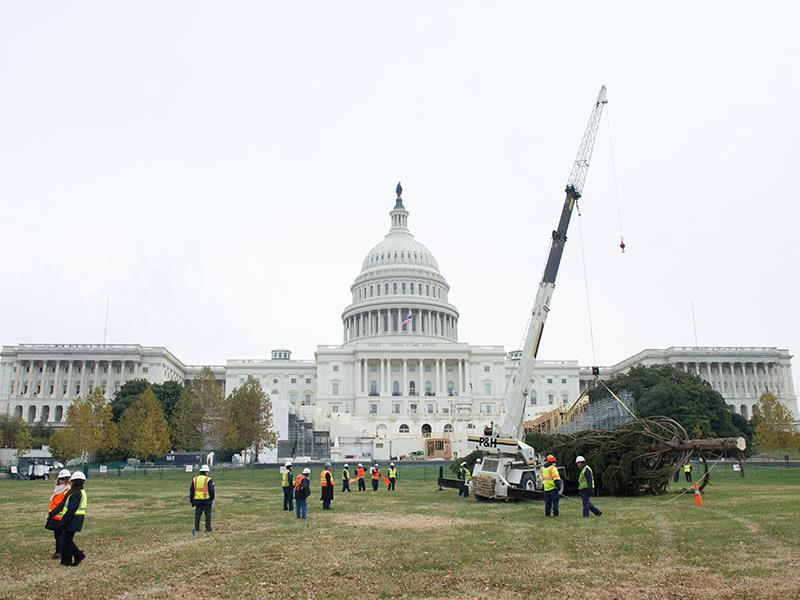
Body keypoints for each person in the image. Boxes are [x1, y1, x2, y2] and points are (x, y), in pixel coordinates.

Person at [57, 471, 87, 567]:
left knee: (67, 540)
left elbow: (72, 509)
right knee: (67, 539)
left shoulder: (75, 493)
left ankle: (67, 561)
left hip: (73, 519)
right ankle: (78, 556)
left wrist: (64, 520)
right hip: (77, 518)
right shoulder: (80, 492)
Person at [47, 469, 72, 559]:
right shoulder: (58, 489)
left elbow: (62, 504)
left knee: (60, 535)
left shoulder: (68, 490)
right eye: (60, 479)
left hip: (61, 516)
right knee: (58, 535)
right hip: (55, 516)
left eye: (63, 479)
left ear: (67, 479)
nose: (61, 481)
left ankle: (60, 553)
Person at [190, 464, 215, 533]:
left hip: (197, 500)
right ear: (206, 472)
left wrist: (191, 500)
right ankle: (208, 528)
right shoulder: (208, 479)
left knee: (197, 514)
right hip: (206, 500)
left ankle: (197, 527)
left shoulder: (195, 479)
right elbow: (212, 491)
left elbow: (192, 490)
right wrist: (212, 499)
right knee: (208, 514)